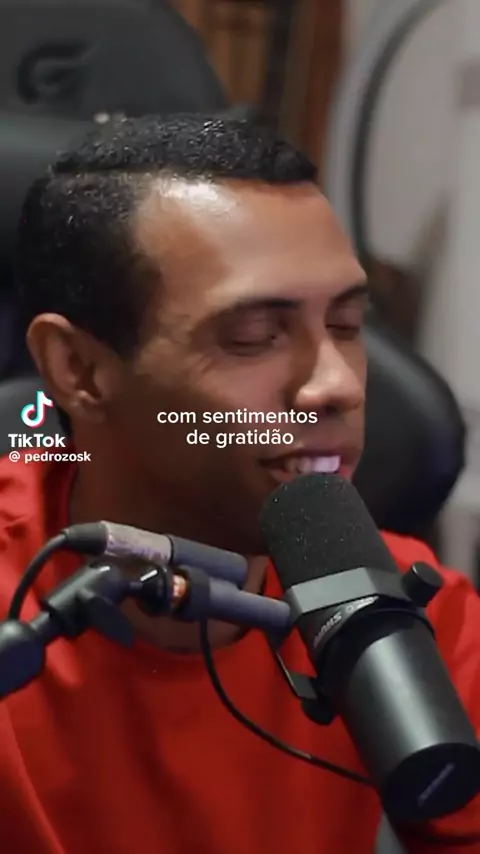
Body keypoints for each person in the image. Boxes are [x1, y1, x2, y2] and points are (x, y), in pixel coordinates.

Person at [0, 114, 478, 854]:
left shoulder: (423, 621)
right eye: (254, 337)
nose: (337, 385)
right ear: (79, 369)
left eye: (347, 326)